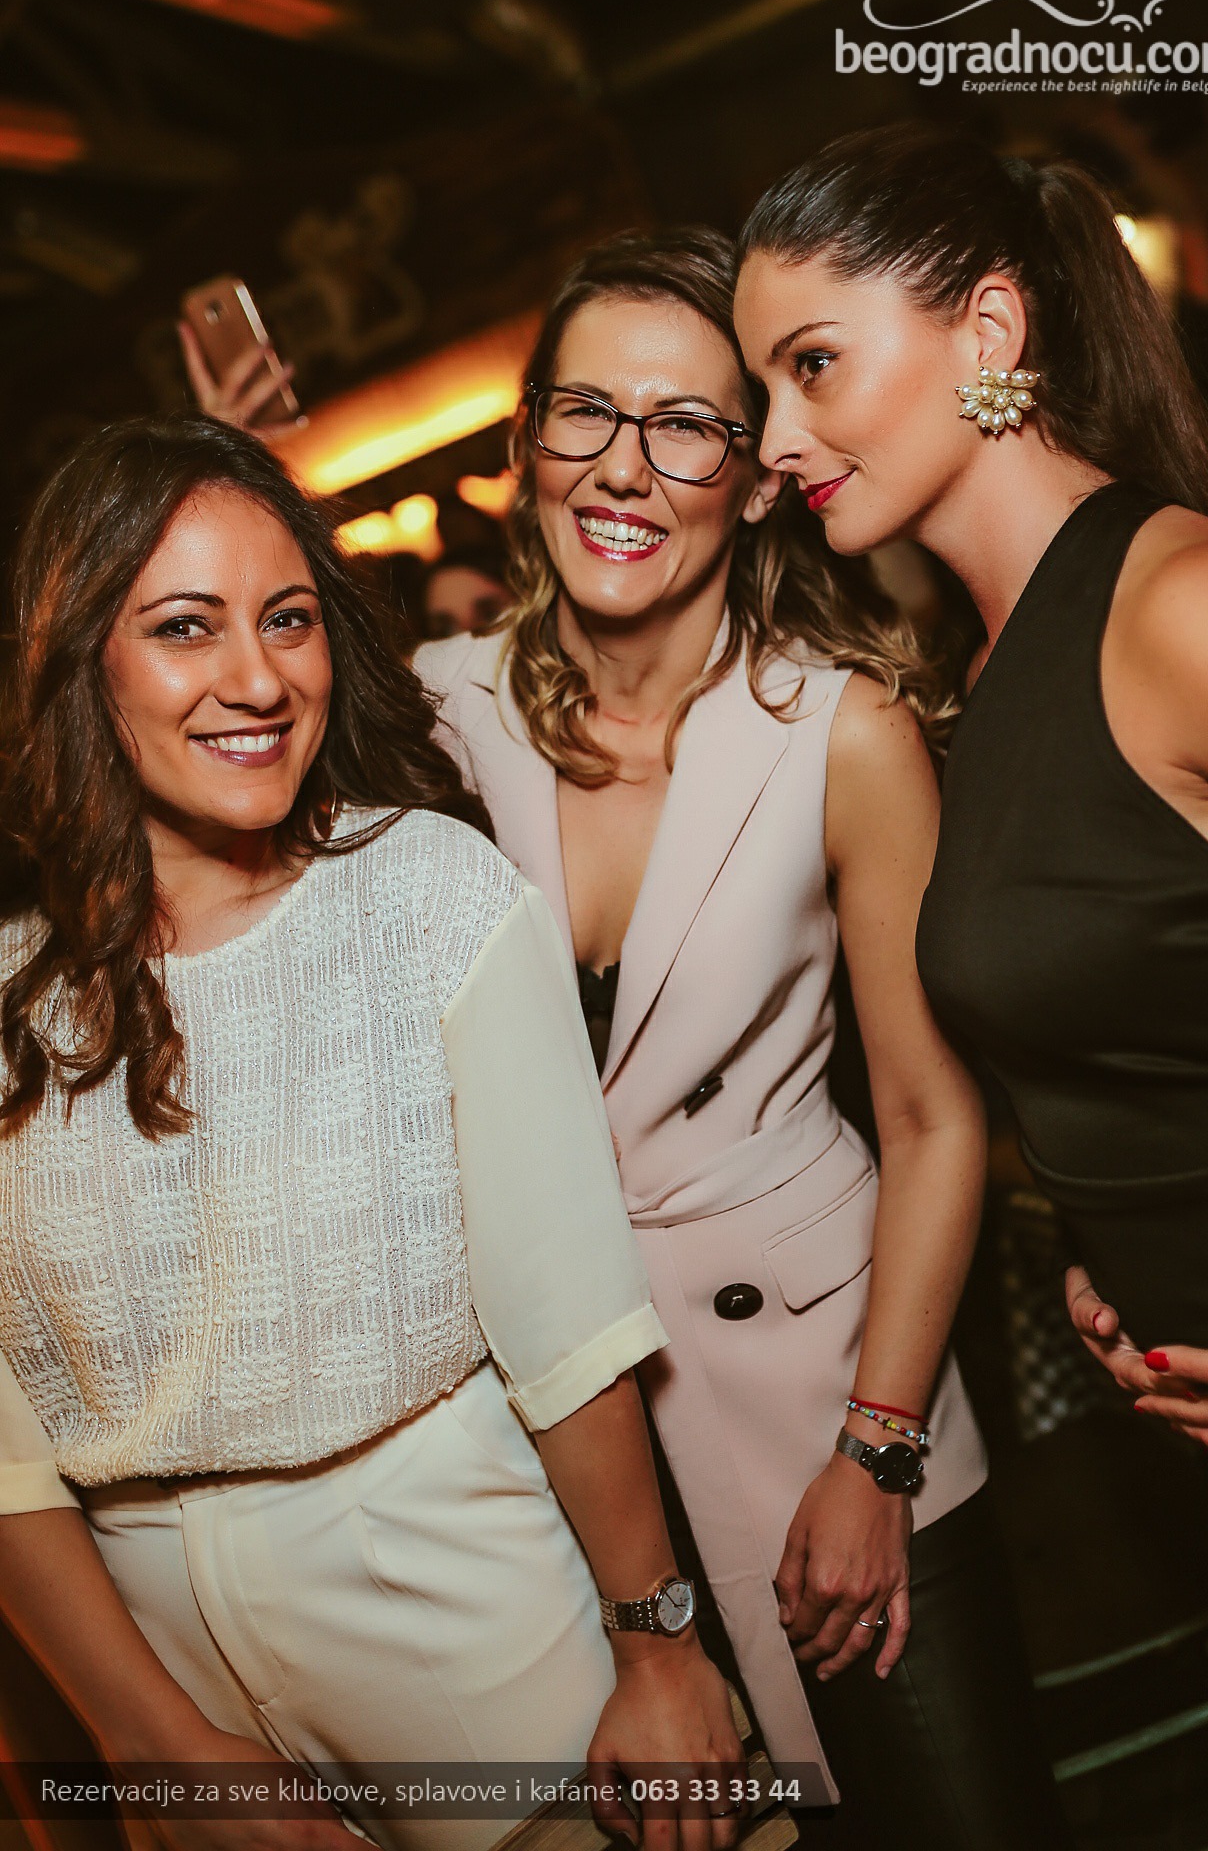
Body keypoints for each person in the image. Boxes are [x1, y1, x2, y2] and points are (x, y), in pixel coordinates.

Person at [0, 414, 744, 1851]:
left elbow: (569, 1327)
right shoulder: (11, 995)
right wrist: (153, 1741)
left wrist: (658, 1649)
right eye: (185, 628)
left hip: (463, 1621)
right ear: (80, 659)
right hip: (148, 1660)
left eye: (288, 619)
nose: (258, 678)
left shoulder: (423, 896)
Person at [416, 229, 1069, 1850]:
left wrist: (879, 1452)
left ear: (759, 475)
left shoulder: (840, 731)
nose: (623, 468)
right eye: (586, 412)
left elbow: (931, 1118)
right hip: (565, 1454)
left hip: (830, 1404)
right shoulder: (433, 719)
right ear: (525, 444)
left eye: (685, 426)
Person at [735, 121, 1208, 1665]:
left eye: (814, 366)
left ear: (987, 329)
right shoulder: (994, 677)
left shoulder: (1191, 608)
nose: (776, 438)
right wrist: (1119, 1242)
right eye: (763, 389)